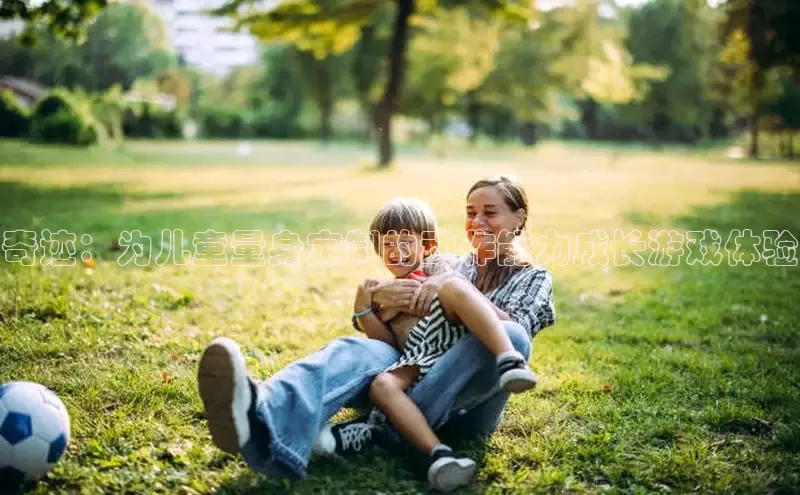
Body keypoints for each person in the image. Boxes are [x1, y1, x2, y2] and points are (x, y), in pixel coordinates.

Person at [196, 174, 556, 485]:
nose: (477, 221)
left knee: (511, 337)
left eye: (489, 213)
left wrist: (451, 288)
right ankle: (261, 413)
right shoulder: (450, 264)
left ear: (518, 217)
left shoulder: (530, 277)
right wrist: (367, 302)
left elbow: (516, 332)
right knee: (356, 350)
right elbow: (401, 336)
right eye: (470, 213)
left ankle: (380, 430)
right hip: (412, 379)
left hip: (467, 404)